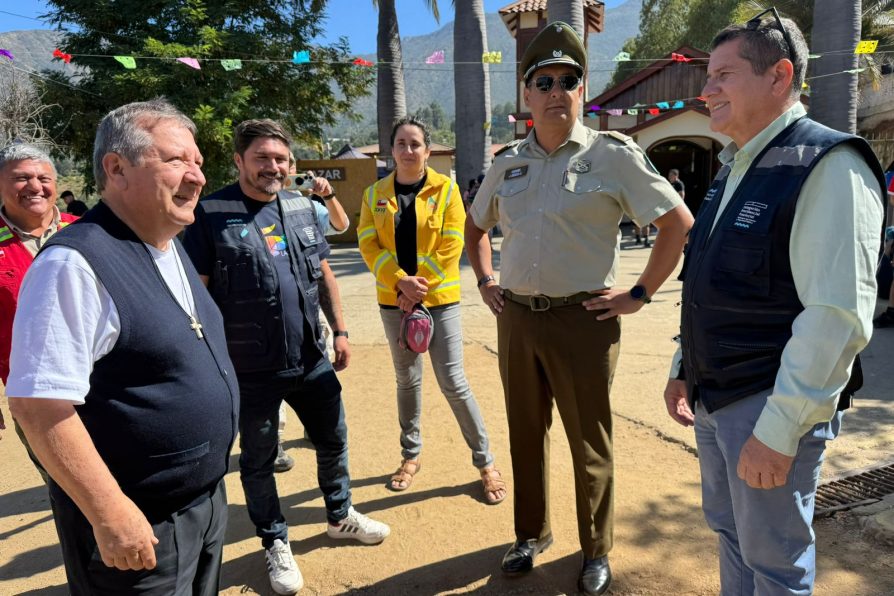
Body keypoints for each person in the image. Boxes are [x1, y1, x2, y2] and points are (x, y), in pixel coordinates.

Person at [465, 21, 693, 596]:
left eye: (567, 80)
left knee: (588, 440)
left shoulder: (613, 156)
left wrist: (637, 295)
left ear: (581, 90)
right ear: (526, 93)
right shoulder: (507, 162)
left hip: (583, 321)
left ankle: (595, 549)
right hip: (516, 317)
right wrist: (488, 281)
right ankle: (530, 533)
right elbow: (475, 228)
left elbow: (676, 224)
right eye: (542, 81)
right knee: (524, 432)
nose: (554, 91)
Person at [663, 12, 884, 595]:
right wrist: (683, 367)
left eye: (723, 76)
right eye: (707, 76)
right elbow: (706, 282)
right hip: (716, 397)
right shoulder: (735, 165)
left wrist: (779, 431)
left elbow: (835, 319)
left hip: (766, 405)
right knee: (732, 536)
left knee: (776, 564)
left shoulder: (828, 164)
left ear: (780, 76)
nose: (706, 90)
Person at [7, 99, 239, 595]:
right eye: (177, 161)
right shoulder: (72, 265)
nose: (196, 177)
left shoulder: (169, 242)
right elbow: (38, 404)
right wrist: (110, 513)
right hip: (139, 524)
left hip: (202, 503)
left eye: (197, 163)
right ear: (117, 168)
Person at [182, 118, 389, 596]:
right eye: (261, 159)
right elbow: (199, 299)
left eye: (279, 159)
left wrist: (340, 331)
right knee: (258, 461)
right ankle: (274, 541)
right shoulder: (210, 215)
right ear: (239, 161)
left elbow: (324, 275)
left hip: (311, 357)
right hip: (250, 369)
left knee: (333, 441)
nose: (271, 167)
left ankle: (339, 516)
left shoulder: (299, 207)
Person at [357, 116, 508, 504]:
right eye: (401, 143)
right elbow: (368, 244)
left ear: (427, 150)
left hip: (439, 301)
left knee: (453, 382)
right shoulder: (374, 194)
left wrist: (416, 288)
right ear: (391, 149)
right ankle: (410, 456)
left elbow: (452, 244)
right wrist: (399, 283)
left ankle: (486, 463)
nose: (408, 150)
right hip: (394, 303)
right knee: (406, 381)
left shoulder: (447, 190)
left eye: (415, 144)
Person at [0, 145, 78, 481]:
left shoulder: (88, 231)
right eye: (21, 178)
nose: (35, 186)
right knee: (67, 487)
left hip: (108, 387)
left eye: (43, 177)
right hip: (35, 398)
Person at [273, 154, 351, 474]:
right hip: (274, 314)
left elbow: (342, 225)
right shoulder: (259, 208)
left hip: (310, 310)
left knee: (315, 368)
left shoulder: (309, 208)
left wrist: (327, 195)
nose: (286, 171)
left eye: (291, 165)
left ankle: (314, 425)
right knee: (275, 376)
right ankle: (275, 441)